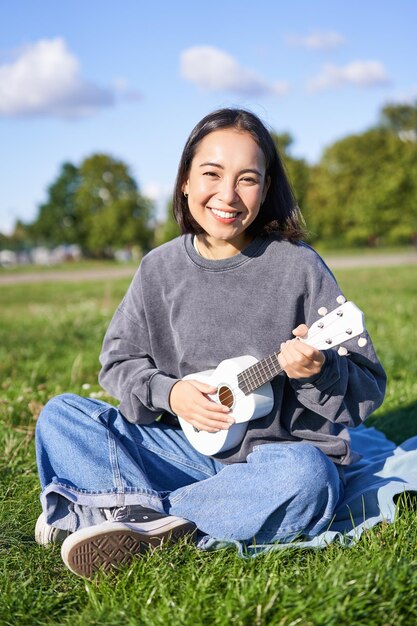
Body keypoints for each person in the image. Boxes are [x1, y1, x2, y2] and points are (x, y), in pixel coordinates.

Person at [35, 108, 386, 578]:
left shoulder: (299, 267)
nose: (227, 195)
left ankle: (123, 515)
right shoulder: (157, 269)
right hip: (185, 451)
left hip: (274, 462)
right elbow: (117, 362)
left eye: (247, 179)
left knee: (310, 479)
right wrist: (171, 393)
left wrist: (320, 371)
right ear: (184, 181)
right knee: (62, 415)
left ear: (266, 189)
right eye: (212, 174)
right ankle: (177, 522)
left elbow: (368, 388)